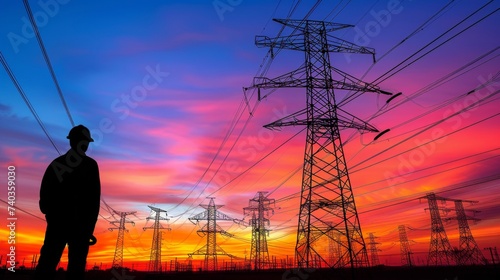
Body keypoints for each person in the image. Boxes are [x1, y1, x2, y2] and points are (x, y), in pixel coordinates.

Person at [35, 125, 101, 280]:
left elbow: (44, 199)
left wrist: (52, 216)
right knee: (72, 268)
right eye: (84, 141)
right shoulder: (90, 166)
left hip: (62, 225)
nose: (85, 145)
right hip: (76, 227)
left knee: (49, 264)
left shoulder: (58, 164)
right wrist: (88, 226)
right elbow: (93, 201)